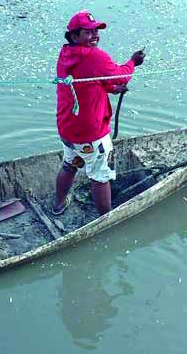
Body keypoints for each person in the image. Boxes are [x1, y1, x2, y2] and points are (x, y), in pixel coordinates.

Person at [53, 11, 145, 216]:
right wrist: (133, 62)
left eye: (96, 31)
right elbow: (122, 76)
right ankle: (106, 218)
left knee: (70, 164)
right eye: (88, 32)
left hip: (67, 128)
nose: (95, 35)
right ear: (74, 36)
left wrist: (110, 89)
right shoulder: (94, 55)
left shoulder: (66, 53)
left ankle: (58, 205)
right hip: (90, 132)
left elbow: (86, 82)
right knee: (100, 174)